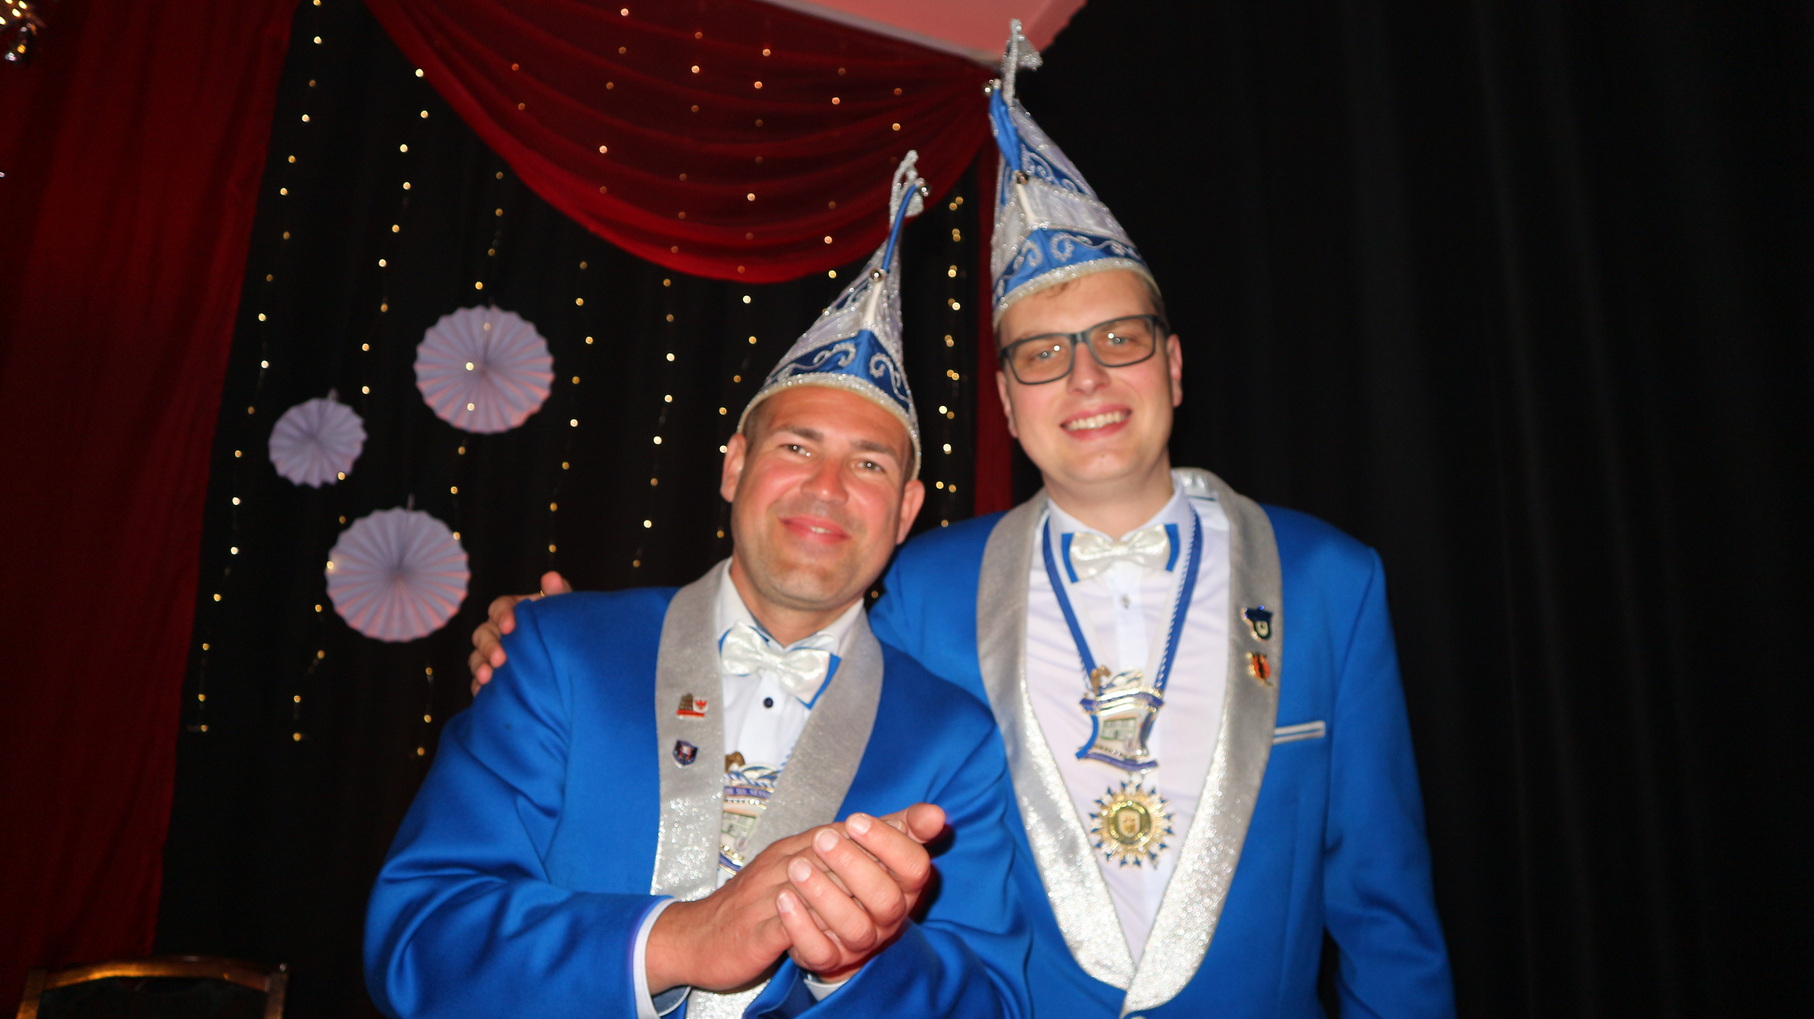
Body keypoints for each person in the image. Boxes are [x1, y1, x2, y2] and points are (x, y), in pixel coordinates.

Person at [473, 24, 1454, 1017]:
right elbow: (774, 639)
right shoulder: (920, 588)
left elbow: (1385, 908)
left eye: (1118, 338)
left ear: (1171, 365)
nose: (1085, 377)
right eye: (1042, 353)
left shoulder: (1329, 579)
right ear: (1007, 401)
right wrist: (559, 643)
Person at [368, 154, 1029, 1019]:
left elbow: (993, 1005)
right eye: (797, 446)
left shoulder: (956, 741)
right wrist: (679, 940)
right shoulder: (561, 652)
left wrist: (859, 965)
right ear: (734, 465)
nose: (827, 487)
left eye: (869, 464)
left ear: (906, 511)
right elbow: (418, 937)